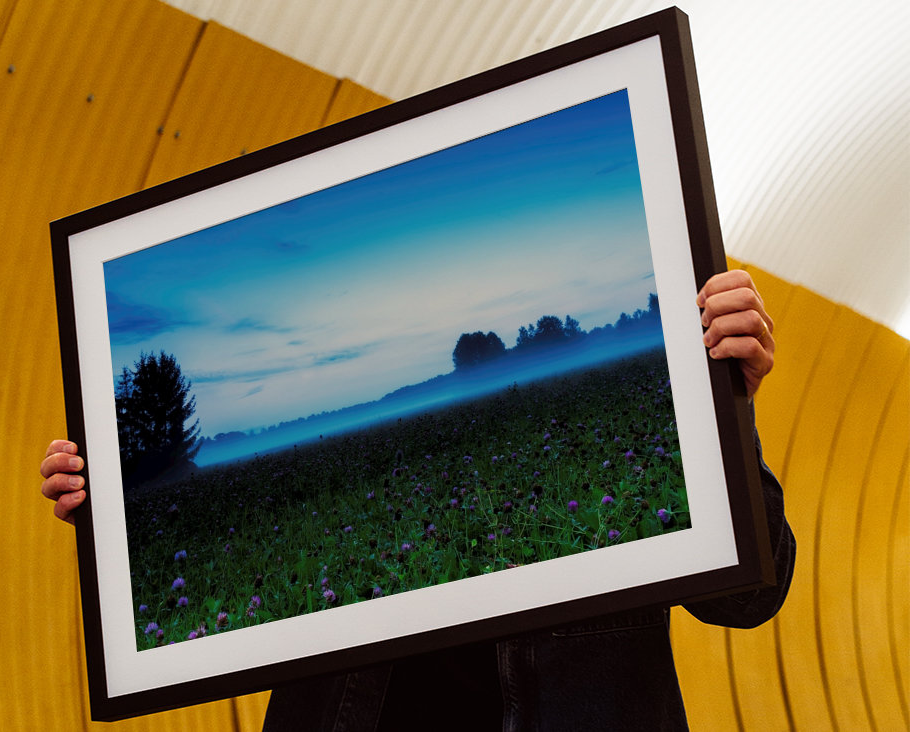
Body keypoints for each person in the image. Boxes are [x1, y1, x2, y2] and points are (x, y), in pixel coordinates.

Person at [40, 270, 794, 730]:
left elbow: (750, 596)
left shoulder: (647, 415)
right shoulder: (349, 518)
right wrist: (122, 510)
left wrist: (724, 402)